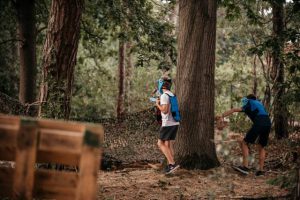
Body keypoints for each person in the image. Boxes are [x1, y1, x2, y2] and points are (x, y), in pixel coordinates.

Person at [217, 94, 271, 176]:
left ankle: (245, 167)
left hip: (259, 122)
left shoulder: (249, 102)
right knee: (261, 146)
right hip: (268, 123)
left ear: (248, 99)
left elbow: (234, 109)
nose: (244, 102)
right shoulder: (259, 103)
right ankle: (261, 171)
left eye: (245, 100)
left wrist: (222, 115)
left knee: (244, 142)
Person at [155, 77, 180, 174]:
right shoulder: (171, 94)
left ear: (162, 85)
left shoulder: (164, 96)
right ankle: (171, 166)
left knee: (160, 143)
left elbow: (165, 111)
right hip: (174, 122)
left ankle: (172, 164)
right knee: (167, 144)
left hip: (167, 124)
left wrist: (157, 104)